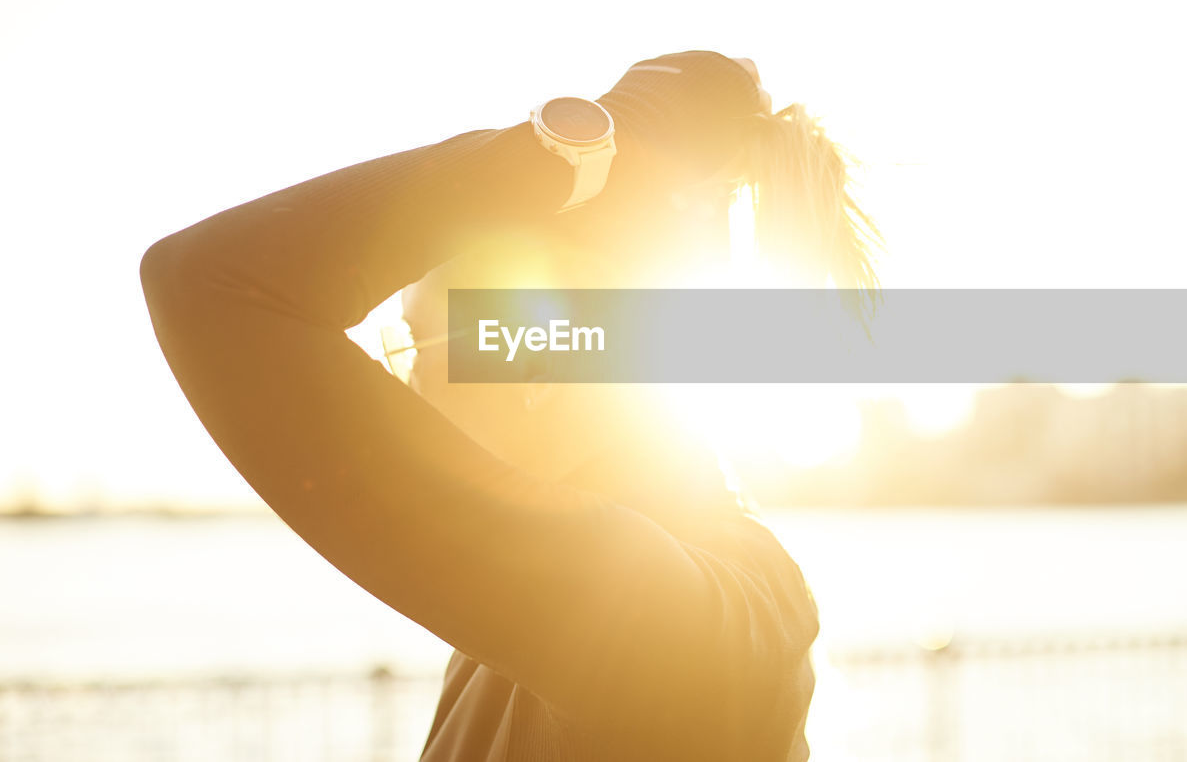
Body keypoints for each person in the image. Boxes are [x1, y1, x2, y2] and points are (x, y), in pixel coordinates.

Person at [140, 50, 879, 761]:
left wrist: (559, 155)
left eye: (416, 344)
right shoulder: (549, 618)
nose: (403, 383)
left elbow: (205, 284)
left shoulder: (691, 612)